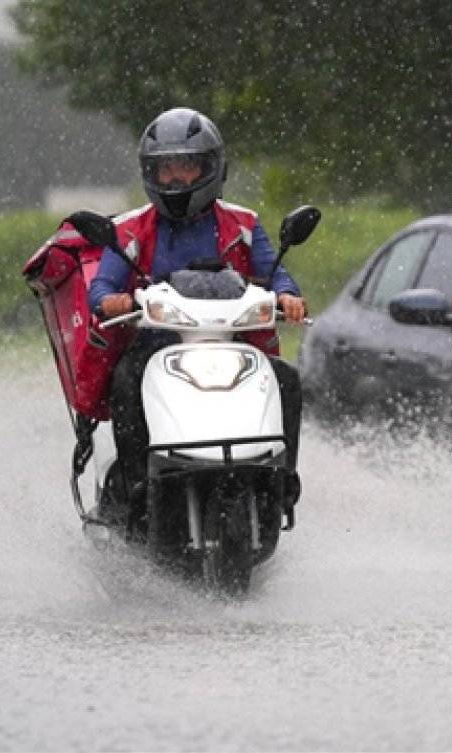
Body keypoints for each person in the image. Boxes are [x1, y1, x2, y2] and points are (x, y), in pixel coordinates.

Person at [86, 107, 307, 512]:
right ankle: (137, 486)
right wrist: (108, 299)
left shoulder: (244, 222)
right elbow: (101, 285)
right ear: (149, 173)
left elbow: (275, 273)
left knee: (286, 379)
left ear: (211, 168)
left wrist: (288, 297)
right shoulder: (131, 228)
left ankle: (281, 486)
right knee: (126, 377)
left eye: (185, 167)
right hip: (156, 346)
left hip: (233, 342)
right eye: (165, 168)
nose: (174, 179)